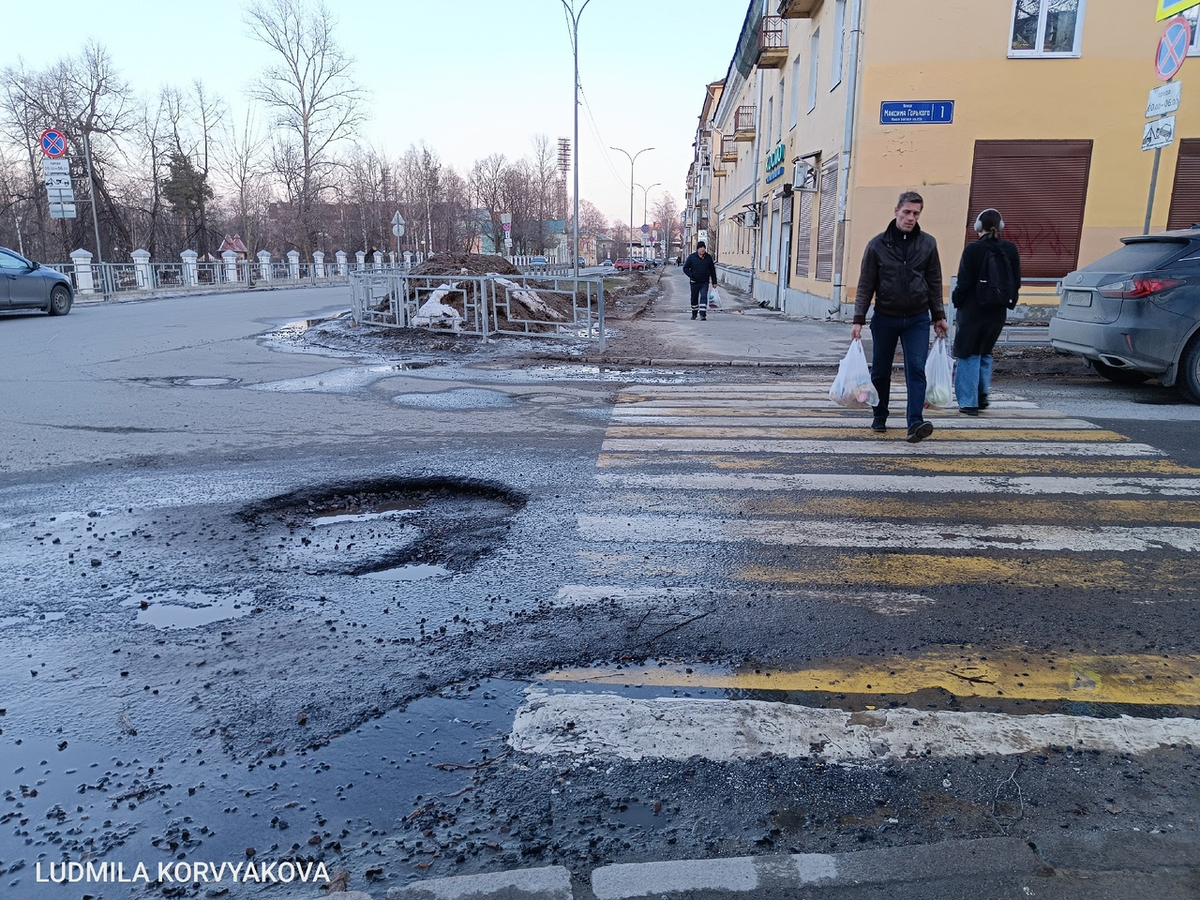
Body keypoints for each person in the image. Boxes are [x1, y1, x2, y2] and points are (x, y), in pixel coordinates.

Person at [851, 190, 949, 443]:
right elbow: (865, 285)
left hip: (917, 318)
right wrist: (858, 320)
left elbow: (934, 281)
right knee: (881, 371)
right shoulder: (877, 245)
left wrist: (939, 315)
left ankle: (914, 423)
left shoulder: (928, 243)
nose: (911, 218)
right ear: (896, 211)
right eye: (906, 212)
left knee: (916, 369)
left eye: (916, 213)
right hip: (885, 317)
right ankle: (879, 415)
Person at [950, 208, 1021, 415]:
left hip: (973, 310)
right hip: (998, 311)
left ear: (978, 227)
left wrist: (957, 301)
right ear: (1001, 227)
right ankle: (982, 395)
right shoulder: (1010, 249)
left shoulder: (972, 250)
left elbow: (964, 282)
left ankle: (968, 402)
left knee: (967, 353)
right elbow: (1015, 282)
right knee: (985, 352)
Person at [682, 241, 718, 321]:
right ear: (698, 249)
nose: (703, 249)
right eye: (701, 247)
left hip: (704, 282)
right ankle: (694, 313)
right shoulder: (692, 257)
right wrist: (692, 275)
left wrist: (714, 282)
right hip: (694, 282)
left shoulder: (708, 258)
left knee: (704, 296)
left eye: (704, 247)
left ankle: (702, 314)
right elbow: (685, 268)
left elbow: (712, 270)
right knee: (694, 298)